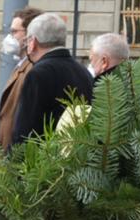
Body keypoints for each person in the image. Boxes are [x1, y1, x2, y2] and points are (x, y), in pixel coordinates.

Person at [9, 13, 92, 147]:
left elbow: (26, 129)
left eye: (28, 40)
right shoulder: (83, 71)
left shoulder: (38, 74)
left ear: (33, 42)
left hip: (45, 159)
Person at [0, 6, 44, 159]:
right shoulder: (21, 64)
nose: (10, 37)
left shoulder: (33, 68)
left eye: (14, 32)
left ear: (30, 35)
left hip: (18, 156)